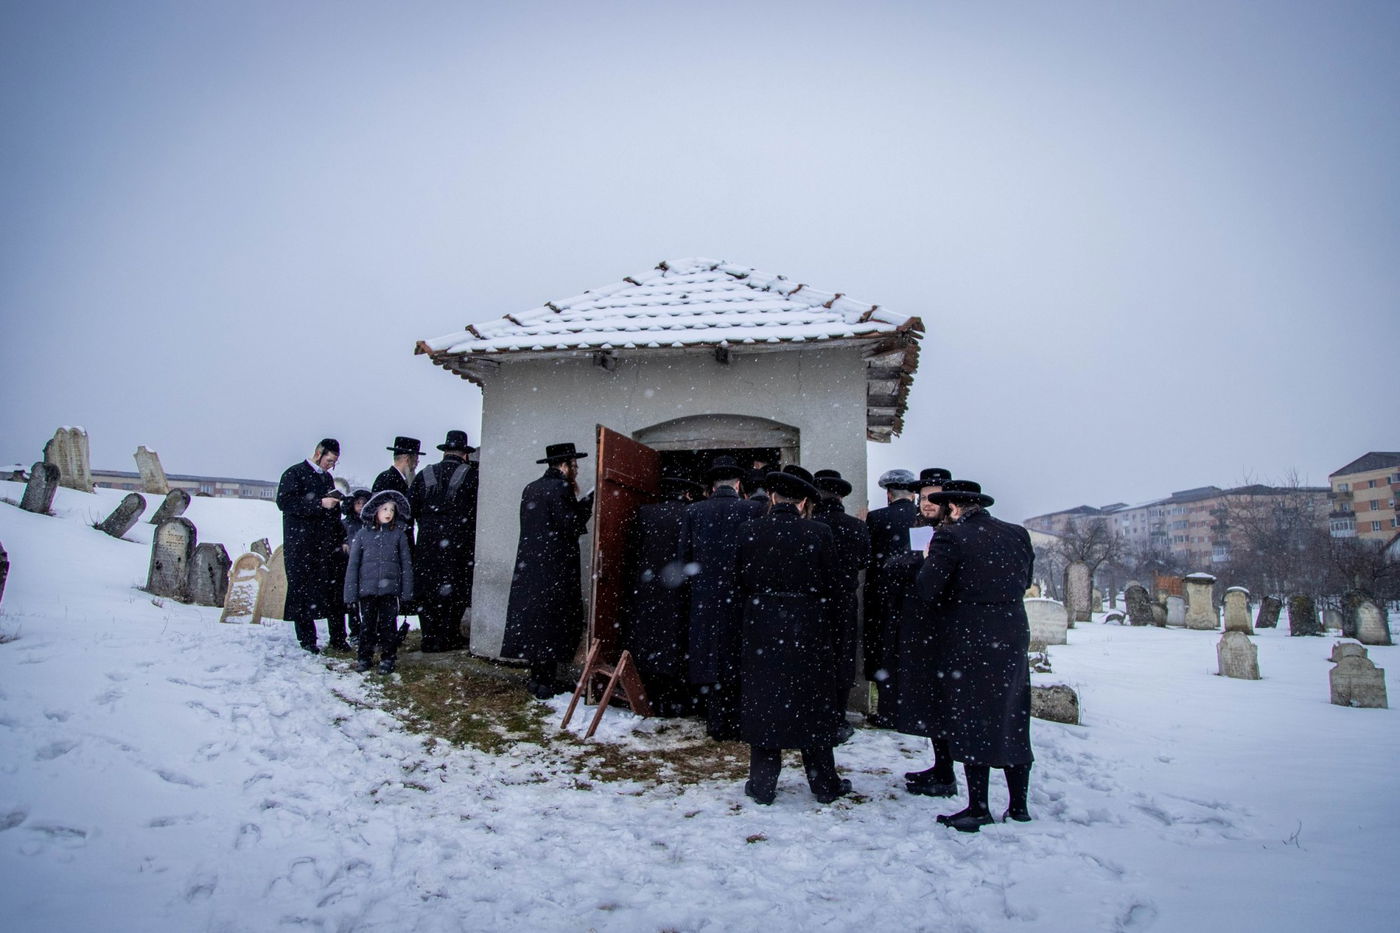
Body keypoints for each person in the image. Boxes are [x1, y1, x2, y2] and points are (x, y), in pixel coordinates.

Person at [913, 479, 1036, 832]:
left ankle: (978, 807)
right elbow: (1025, 579)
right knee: (1013, 713)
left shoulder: (951, 537)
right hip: (1012, 630)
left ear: (953, 508)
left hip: (970, 633)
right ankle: (1019, 805)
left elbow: (928, 588)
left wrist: (926, 561)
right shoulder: (1017, 534)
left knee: (971, 718)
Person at [736, 469, 850, 805]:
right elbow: (834, 587)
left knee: (764, 702)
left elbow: (736, 581)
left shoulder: (749, 531)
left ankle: (762, 784)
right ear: (802, 502)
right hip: (807, 627)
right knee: (813, 704)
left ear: (772, 499)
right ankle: (824, 783)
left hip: (761, 625)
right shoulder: (819, 532)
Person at [680, 455, 766, 740]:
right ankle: (737, 718)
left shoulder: (694, 511)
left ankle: (715, 719)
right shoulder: (753, 510)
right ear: (738, 483)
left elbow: (684, 559)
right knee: (737, 654)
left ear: (713, 485)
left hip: (705, 595)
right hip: (741, 595)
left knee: (709, 655)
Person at [501, 442, 595, 699]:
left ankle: (536, 678)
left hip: (531, 565)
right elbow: (571, 524)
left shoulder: (531, 488)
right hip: (555, 566)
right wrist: (588, 501)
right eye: (574, 465)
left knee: (534, 622)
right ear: (564, 466)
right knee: (552, 623)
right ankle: (546, 682)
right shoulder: (561, 488)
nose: (576, 470)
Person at [889, 468, 959, 797]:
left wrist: (914, 563)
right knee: (930, 701)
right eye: (923, 497)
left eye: (934, 497)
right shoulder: (918, 527)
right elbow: (904, 565)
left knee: (947, 700)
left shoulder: (956, 530)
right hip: (921, 623)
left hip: (946, 625)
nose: (927, 503)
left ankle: (949, 773)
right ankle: (941, 766)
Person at [620, 474, 702, 715]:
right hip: (679, 591)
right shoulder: (690, 514)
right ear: (687, 494)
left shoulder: (645, 513)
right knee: (676, 643)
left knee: (650, 641)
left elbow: (632, 550)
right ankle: (676, 698)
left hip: (648, 589)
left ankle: (651, 695)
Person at [810, 469, 872, 739]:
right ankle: (836, 717)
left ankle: (813, 713)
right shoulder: (856, 526)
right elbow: (863, 562)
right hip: (844, 600)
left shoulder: (811, 524)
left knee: (812, 657)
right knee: (842, 657)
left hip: (812, 600)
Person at [408, 430, 480, 653]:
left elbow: (410, 508)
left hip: (427, 542)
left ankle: (429, 636)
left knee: (427, 591)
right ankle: (448, 636)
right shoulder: (472, 475)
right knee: (454, 590)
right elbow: (478, 510)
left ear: (445, 452)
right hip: (459, 543)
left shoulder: (424, 474)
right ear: (464, 454)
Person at [275, 438, 344, 653]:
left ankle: (338, 638)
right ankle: (307, 640)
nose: (330, 466)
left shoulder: (327, 479)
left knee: (330, 591)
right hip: (301, 545)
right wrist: (318, 504)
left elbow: (330, 514)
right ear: (319, 453)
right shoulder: (294, 474)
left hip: (324, 545)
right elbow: (284, 503)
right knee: (302, 592)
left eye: (334, 462)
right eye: (329, 460)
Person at [863, 468, 919, 724]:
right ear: (913, 495)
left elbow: (867, 556)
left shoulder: (876, 518)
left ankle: (887, 709)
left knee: (883, 648)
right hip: (912, 594)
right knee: (907, 649)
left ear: (888, 494)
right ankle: (908, 707)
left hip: (881, 593)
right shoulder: (920, 520)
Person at [343, 490, 414, 675]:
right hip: (367, 591)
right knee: (367, 626)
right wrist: (350, 593)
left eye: (391, 509)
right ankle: (364, 657)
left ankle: (388, 658)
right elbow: (353, 566)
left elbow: (406, 565)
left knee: (388, 626)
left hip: (390, 591)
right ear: (375, 510)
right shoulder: (362, 535)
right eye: (384, 508)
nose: (388, 513)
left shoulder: (399, 535)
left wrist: (407, 592)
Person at [339, 487, 373, 646]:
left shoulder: (371, 523)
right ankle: (355, 631)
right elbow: (339, 538)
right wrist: (344, 544)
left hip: (367, 566)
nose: (360, 506)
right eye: (357, 503)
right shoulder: (346, 523)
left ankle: (368, 630)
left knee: (368, 601)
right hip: (349, 566)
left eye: (363, 503)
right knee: (352, 603)